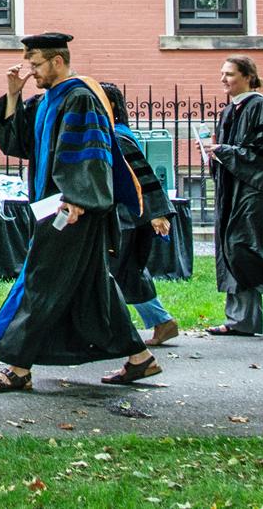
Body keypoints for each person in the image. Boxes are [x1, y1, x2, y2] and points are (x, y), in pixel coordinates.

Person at [0, 32, 157, 392]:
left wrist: (77, 197)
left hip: (72, 209)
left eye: (36, 64)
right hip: (53, 206)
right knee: (93, 286)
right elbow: (17, 143)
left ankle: (18, 368)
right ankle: (141, 359)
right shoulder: (48, 100)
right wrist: (13, 94)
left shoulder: (80, 98)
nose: (32, 72)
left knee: (41, 280)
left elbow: (90, 153)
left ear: (58, 61)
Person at [200, 56, 263, 338]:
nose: (223, 79)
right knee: (230, 248)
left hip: (255, 192)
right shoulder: (228, 111)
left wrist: (225, 152)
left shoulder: (261, 108)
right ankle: (241, 319)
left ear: (248, 77)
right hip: (232, 189)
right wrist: (215, 153)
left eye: (230, 74)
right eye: (222, 73)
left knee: (241, 248)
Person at [100, 82, 182, 348]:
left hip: (128, 219)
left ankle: (114, 330)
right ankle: (161, 321)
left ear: (110, 105)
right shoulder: (113, 134)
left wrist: (156, 213)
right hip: (129, 217)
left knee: (117, 271)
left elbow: (142, 175)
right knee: (127, 271)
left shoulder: (118, 137)